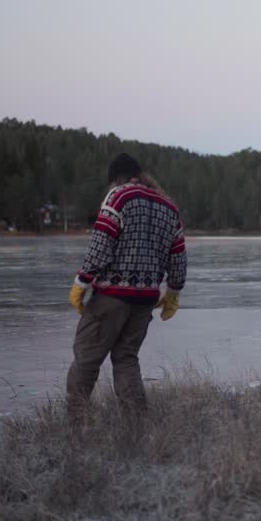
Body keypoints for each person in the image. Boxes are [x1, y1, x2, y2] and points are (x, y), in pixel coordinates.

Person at [66, 152, 186, 419]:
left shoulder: (119, 196)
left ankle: (74, 423)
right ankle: (136, 424)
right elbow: (178, 255)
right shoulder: (169, 207)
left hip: (112, 296)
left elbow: (100, 246)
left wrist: (81, 283)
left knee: (87, 358)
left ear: (116, 178)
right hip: (145, 301)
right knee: (126, 359)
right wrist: (173, 293)